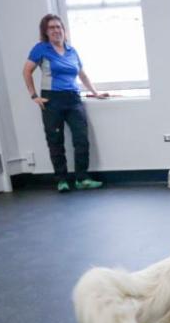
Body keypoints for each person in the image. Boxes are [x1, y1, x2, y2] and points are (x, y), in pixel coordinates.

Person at [23, 14, 107, 193]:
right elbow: (27, 71)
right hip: (51, 100)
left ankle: (82, 179)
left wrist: (95, 92)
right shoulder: (41, 49)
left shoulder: (72, 51)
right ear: (46, 32)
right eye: (51, 27)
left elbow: (82, 75)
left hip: (73, 99)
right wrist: (34, 96)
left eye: (58, 27)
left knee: (81, 139)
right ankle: (61, 180)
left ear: (63, 30)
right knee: (55, 140)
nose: (56, 30)